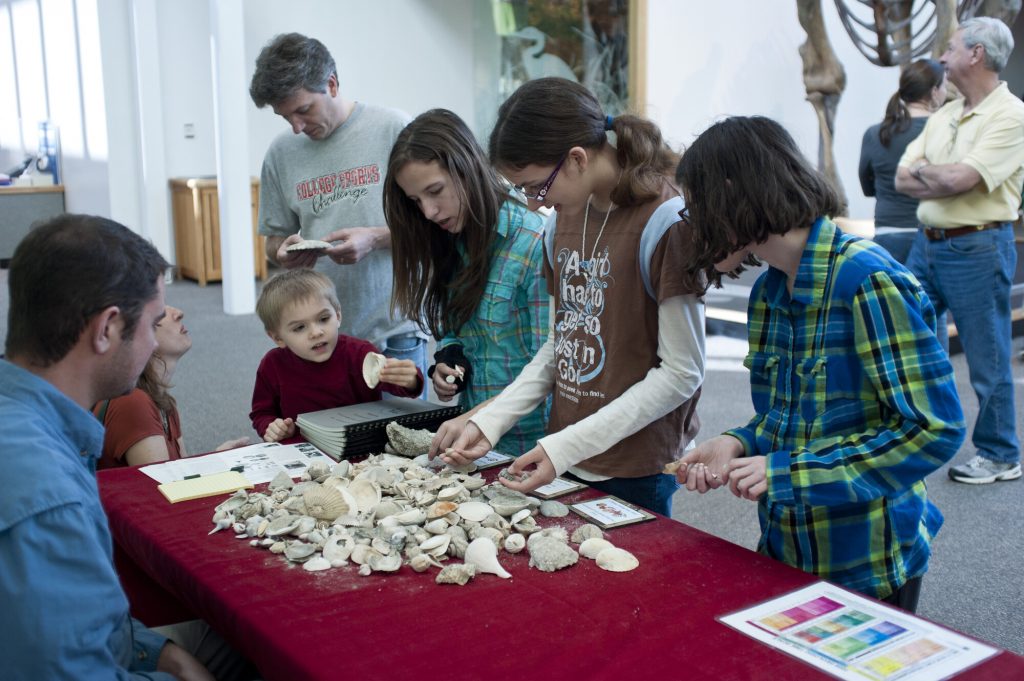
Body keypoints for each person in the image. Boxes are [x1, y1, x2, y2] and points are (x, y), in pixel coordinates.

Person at [673, 116, 965, 611]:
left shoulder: (867, 281)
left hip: (869, 561)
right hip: (787, 549)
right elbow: (792, 417)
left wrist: (790, 474)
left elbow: (934, 429)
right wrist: (737, 441)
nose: (692, 223)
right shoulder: (769, 291)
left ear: (730, 192)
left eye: (696, 205)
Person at [439, 78, 706, 516]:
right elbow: (558, 345)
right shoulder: (557, 223)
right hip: (564, 455)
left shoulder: (666, 220)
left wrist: (563, 446)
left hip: (636, 466)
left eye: (534, 187)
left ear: (577, 159)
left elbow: (681, 372)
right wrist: (488, 422)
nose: (530, 204)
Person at [0, 214, 217, 678]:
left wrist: (158, 652)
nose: (152, 340)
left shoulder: (32, 420)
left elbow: (75, 622)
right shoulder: (45, 496)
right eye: (152, 323)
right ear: (107, 330)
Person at [249, 32, 428, 392]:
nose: (298, 127)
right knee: (330, 443)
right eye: (287, 118)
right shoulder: (281, 153)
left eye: (303, 111)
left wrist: (374, 239)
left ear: (331, 84)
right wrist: (283, 252)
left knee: (405, 441)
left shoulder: (393, 129)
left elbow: (433, 225)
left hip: (395, 327)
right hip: (319, 338)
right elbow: (273, 239)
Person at [895, 17, 1023, 485]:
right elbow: (901, 178)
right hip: (924, 247)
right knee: (906, 340)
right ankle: (917, 435)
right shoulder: (946, 112)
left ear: (976, 55)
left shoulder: (1011, 115)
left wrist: (939, 175)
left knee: (987, 356)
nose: (942, 58)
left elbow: (962, 179)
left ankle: (999, 453)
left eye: (950, 48)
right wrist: (943, 176)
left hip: (977, 247)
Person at [383, 108, 549, 455]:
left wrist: (475, 420)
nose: (428, 212)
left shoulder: (533, 241)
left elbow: (548, 372)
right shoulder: (452, 238)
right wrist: (450, 359)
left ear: (468, 167)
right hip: (476, 447)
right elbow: (460, 326)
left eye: (435, 191)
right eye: (416, 201)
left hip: (533, 448)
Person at [250, 268, 423, 442]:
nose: (316, 332)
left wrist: (410, 379)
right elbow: (262, 413)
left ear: (338, 316)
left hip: (358, 448)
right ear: (277, 337)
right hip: (302, 450)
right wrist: (272, 427)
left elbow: (400, 387)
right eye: (299, 328)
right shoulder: (272, 365)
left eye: (324, 319)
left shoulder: (359, 353)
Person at [94, 305, 250, 467]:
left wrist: (215, 460)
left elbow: (182, 475)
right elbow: (165, 488)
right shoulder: (134, 402)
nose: (179, 313)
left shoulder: (163, 401)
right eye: (160, 311)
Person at [859, 58, 947, 264]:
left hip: (887, 235)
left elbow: (867, 188)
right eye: (945, 86)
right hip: (933, 235)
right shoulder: (945, 131)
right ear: (934, 92)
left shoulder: (874, 133)